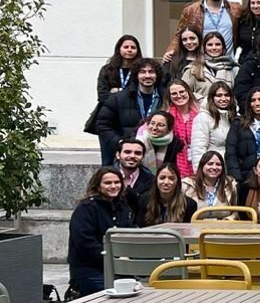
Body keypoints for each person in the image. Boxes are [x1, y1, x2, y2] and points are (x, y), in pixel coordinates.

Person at [68, 167, 136, 295]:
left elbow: (130, 232)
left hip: (120, 267)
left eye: (117, 182)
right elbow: (84, 244)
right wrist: (113, 258)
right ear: (98, 186)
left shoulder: (123, 206)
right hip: (90, 270)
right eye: (108, 183)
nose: (113, 186)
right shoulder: (86, 208)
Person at [96, 58, 164, 164]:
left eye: (151, 72)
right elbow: (102, 125)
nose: (147, 76)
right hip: (128, 156)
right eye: (142, 72)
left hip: (159, 153)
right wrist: (120, 142)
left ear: (157, 75)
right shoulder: (118, 98)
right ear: (136, 75)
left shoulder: (166, 98)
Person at [171, 0, 242, 54]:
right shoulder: (191, 10)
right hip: (201, 62)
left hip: (228, 63)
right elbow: (179, 34)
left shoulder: (236, 9)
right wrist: (171, 51)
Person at [227, 88, 260, 181]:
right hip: (245, 176)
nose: (257, 103)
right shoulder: (238, 123)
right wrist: (237, 177)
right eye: (253, 100)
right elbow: (231, 152)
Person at [187, 82, 235, 170]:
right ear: (212, 98)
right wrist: (199, 173)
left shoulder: (235, 117)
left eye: (227, 95)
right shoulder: (203, 118)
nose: (223, 98)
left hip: (232, 168)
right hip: (212, 168)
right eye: (219, 95)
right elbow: (198, 149)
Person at [182, 32, 238, 107]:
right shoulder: (193, 68)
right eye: (210, 45)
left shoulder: (234, 69)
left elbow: (238, 94)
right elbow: (184, 92)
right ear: (204, 48)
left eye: (218, 44)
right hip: (200, 112)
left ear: (223, 47)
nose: (214, 48)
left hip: (228, 113)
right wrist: (204, 101)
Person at [163, 81, 201, 178]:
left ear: (188, 92)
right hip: (174, 162)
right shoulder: (165, 116)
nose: (179, 96)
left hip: (199, 159)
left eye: (182, 92)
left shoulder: (201, 113)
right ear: (169, 97)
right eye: (174, 94)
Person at [111, 138, 153, 212]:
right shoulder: (105, 177)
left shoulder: (150, 180)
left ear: (143, 157)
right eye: (127, 152)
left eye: (138, 153)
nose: (132, 156)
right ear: (118, 155)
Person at [138, 111, 185, 177]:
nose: (154, 128)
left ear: (169, 128)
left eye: (160, 125)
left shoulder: (175, 144)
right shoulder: (137, 140)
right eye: (152, 123)